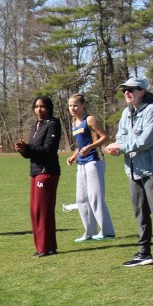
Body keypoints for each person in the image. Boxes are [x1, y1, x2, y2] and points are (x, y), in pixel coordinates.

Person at [105, 77, 153, 269]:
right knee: (141, 213)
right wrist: (117, 147)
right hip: (133, 170)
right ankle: (144, 253)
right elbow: (121, 136)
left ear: (142, 92)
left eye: (131, 89)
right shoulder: (126, 113)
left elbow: (146, 141)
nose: (127, 93)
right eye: (124, 90)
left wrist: (121, 147)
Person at [14, 96, 62, 256]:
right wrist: (23, 150)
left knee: (42, 211)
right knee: (35, 211)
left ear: (49, 108)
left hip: (47, 171)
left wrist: (28, 148)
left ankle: (45, 248)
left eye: (42, 106)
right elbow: (31, 153)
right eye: (36, 106)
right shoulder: (35, 126)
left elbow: (49, 149)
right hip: (35, 171)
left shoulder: (53, 124)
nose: (39, 110)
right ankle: (45, 247)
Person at [66, 94, 115, 242]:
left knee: (95, 197)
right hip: (81, 163)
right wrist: (74, 156)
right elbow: (81, 145)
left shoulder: (90, 119)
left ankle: (107, 231)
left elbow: (105, 137)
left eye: (75, 105)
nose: (72, 108)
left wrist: (90, 147)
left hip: (94, 161)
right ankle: (90, 232)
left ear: (83, 105)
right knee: (81, 199)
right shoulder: (74, 123)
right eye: (70, 106)